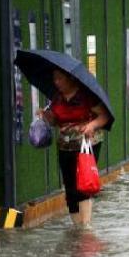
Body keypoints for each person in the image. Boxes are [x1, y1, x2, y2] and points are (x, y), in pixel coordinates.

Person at [38, 69, 112, 228]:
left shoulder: (86, 96)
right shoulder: (56, 99)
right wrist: (46, 116)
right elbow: (54, 121)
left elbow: (104, 116)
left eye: (60, 79)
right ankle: (77, 227)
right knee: (69, 187)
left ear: (70, 79)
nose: (56, 82)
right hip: (65, 145)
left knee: (82, 183)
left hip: (87, 144)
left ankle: (85, 227)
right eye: (54, 79)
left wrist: (91, 125)